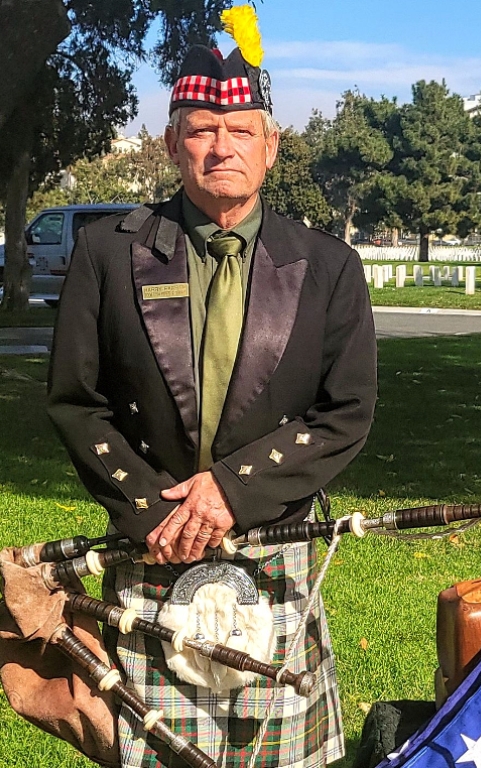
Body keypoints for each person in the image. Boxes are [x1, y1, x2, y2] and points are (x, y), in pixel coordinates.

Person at [46, 13, 377, 767]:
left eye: (239, 130)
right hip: (153, 543)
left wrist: (230, 490)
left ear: (272, 146)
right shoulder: (107, 252)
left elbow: (346, 411)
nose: (220, 147)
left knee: (281, 758)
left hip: (273, 538)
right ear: (172, 144)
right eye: (199, 130)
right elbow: (75, 398)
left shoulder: (328, 266)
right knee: (158, 755)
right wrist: (153, 510)